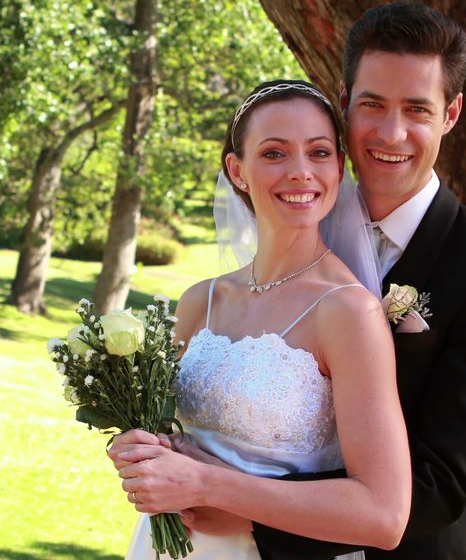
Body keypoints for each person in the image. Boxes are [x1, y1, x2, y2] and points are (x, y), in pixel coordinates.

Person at [244, 2, 466, 560]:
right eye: (373, 105)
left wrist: (242, 513)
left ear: (451, 113)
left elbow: (441, 483)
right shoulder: (298, 220)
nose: (392, 132)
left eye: (417, 110)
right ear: (344, 100)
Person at [108, 79, 412, 559]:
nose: (300, 173)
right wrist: (139, 450)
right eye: (274, 153)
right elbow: (170, 441)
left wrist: (209, 486)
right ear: (238, 170)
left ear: (338, 167)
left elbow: (383, 515)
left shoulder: (348, 313)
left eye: (318, 153)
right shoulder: (199, 302)